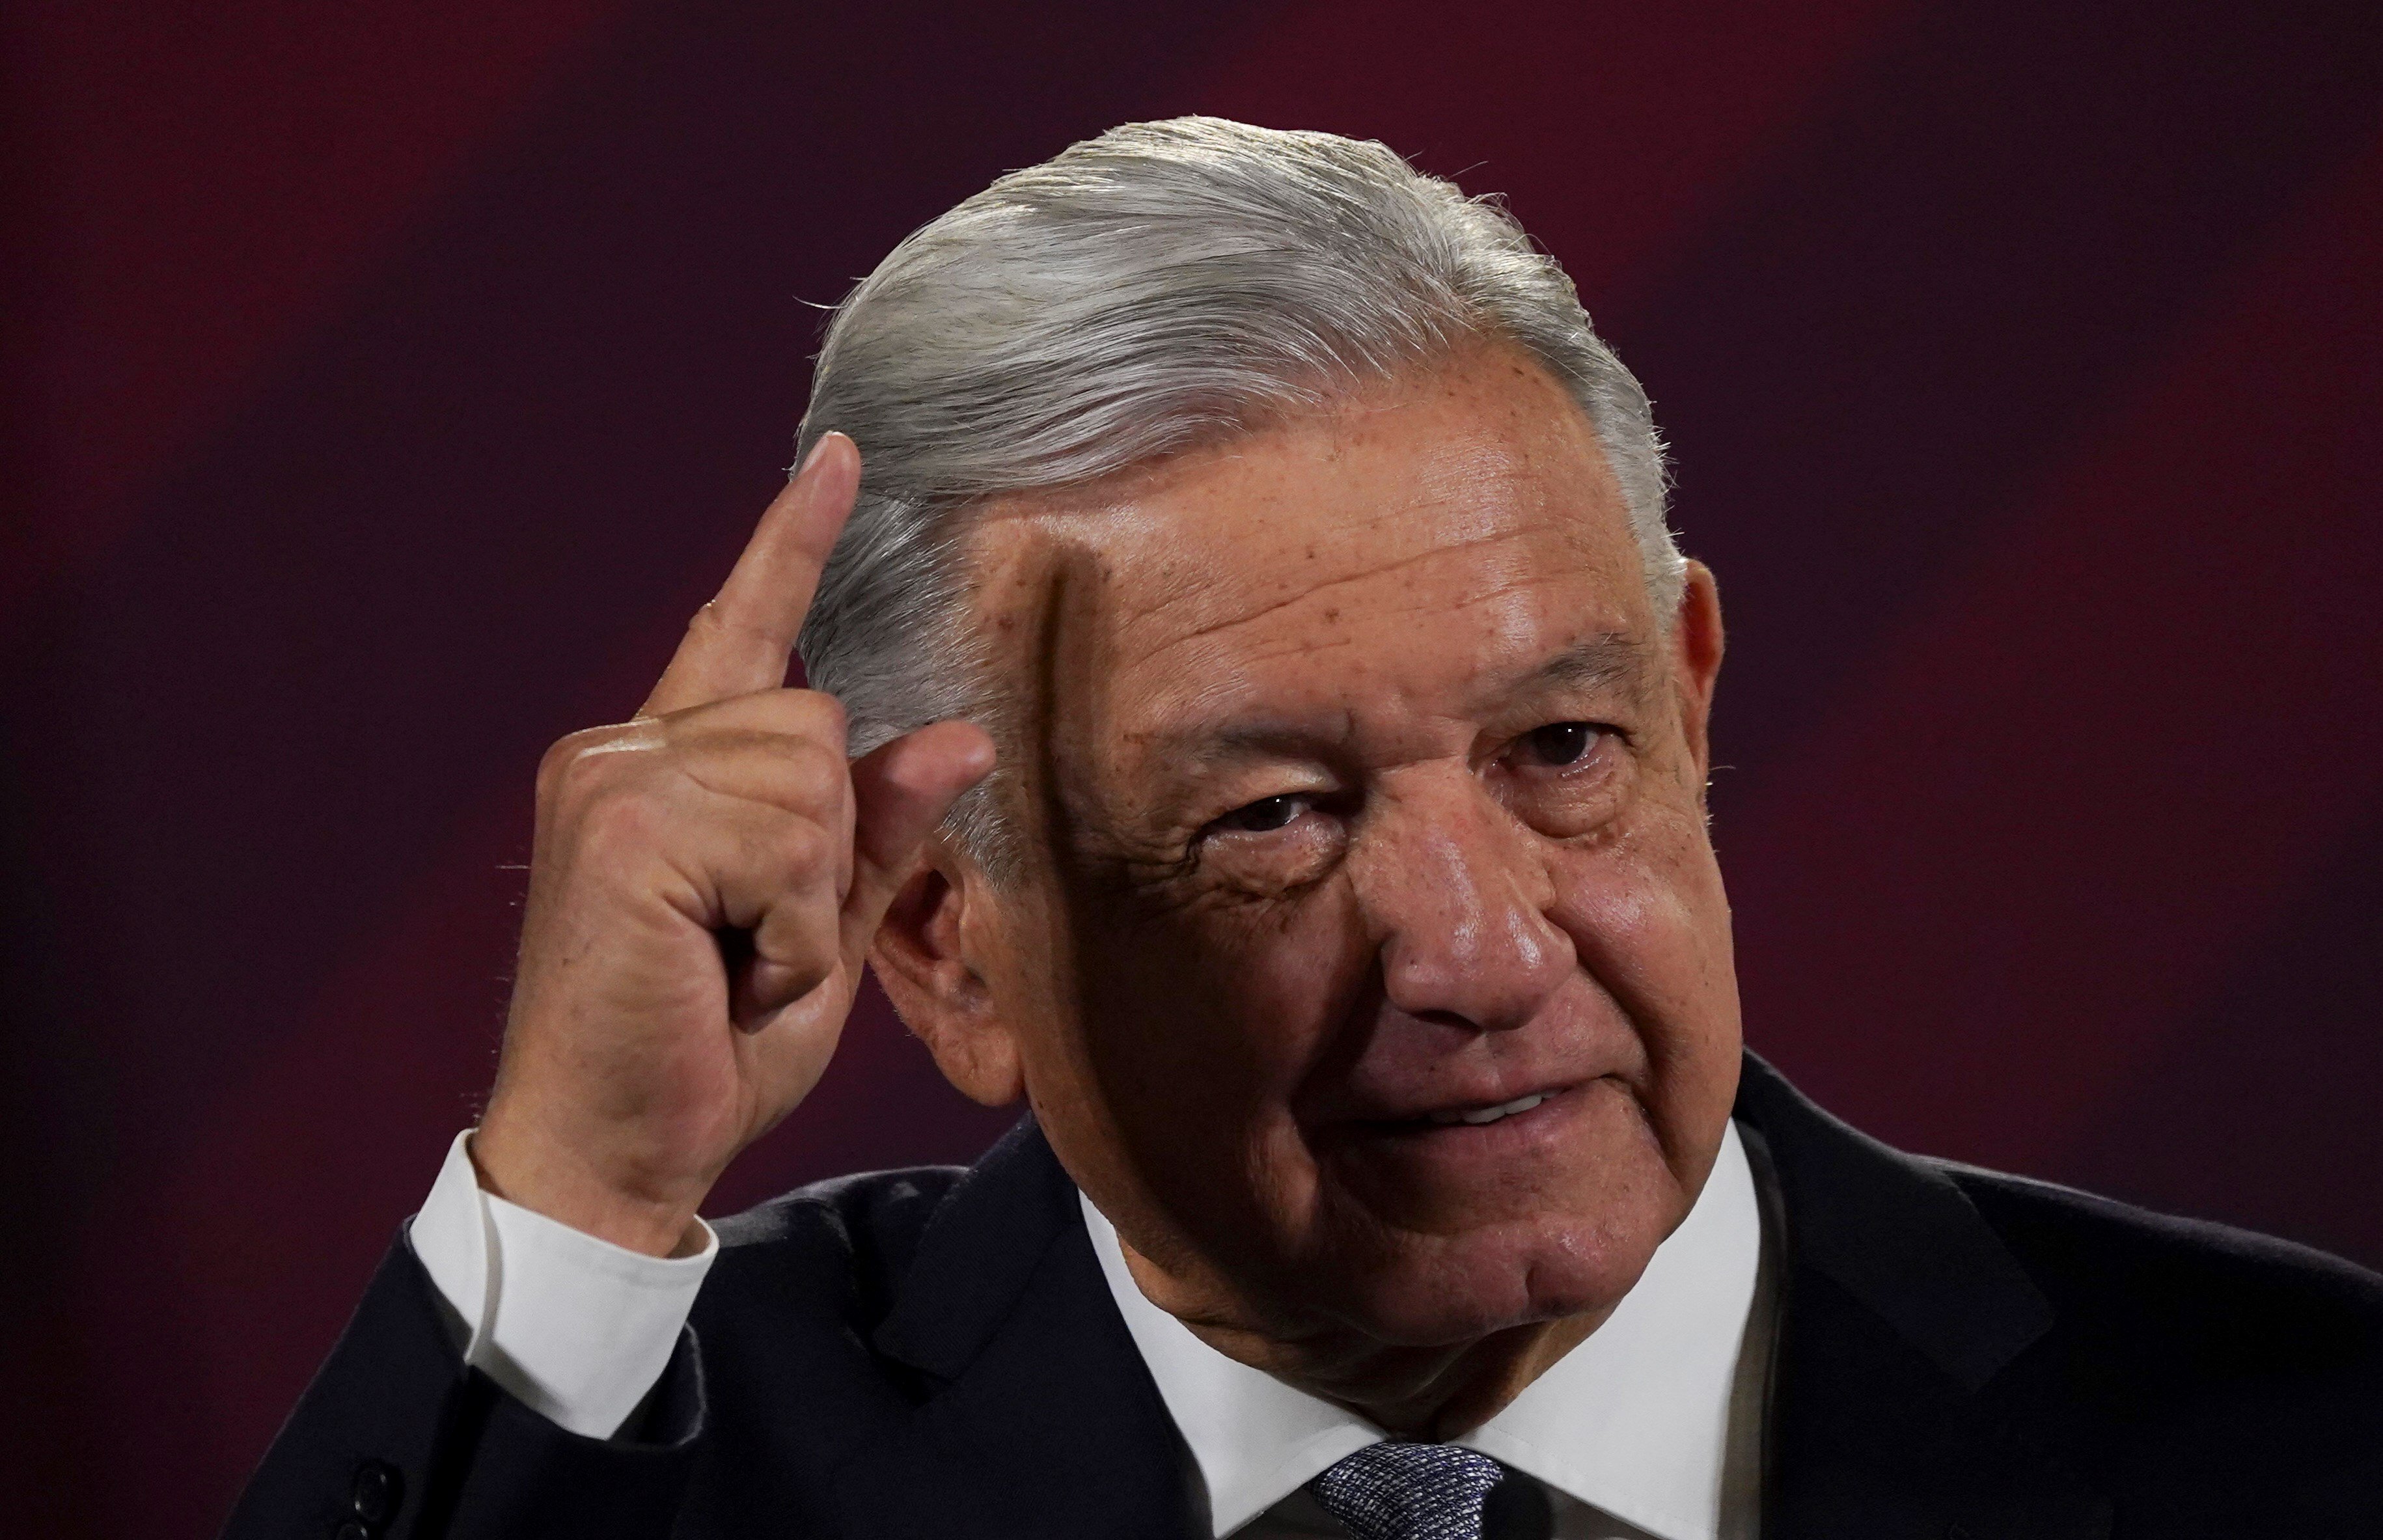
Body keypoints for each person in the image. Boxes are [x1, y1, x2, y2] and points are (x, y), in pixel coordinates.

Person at [224, 118, 2382, 1540]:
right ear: (943, 938)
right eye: (1271, 815)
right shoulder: (644, 1474)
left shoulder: (2307, 1439)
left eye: (1559, 747)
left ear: (1691, 692)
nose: (1481, 952)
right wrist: (581, 1197)